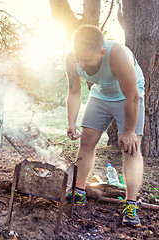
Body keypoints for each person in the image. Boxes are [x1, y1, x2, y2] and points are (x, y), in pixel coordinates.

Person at [65, 25, 145, 227]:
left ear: (102, 53)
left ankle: (131, 204)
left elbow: (133, 97)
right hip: (100, 93)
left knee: (131, 148)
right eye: (79, 59)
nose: (82, 64)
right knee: (87, 139)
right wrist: (72, 122)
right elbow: (74, 92)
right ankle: (79, 191)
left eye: (87, 60)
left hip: (129, 96)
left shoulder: (117, 54)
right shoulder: (72, 58)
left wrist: (128, 131)